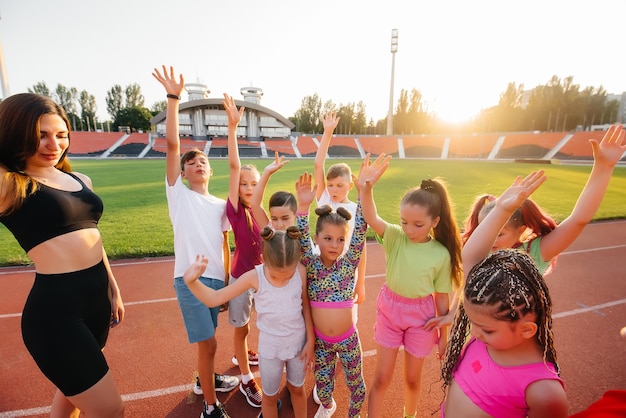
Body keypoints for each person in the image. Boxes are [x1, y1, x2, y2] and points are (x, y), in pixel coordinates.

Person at [426, 124, 626, 332]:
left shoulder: (534, 253)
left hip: (519, 346)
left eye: (499, 233)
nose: (490, 239)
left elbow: (578, 219)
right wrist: (451, 315)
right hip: (479, 341)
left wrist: (603, 168)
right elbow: (468, 284)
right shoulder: (478, 252)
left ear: (520, 229)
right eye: (484, 230)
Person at [0, 93, 125, 417]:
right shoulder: (10, 184)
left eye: (60, 135)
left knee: (69, 397)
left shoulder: (79, 179)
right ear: (16, 133)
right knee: (110, 410)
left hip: (96, 302)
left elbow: (92, 236)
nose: (53, 144)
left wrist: (113, 286)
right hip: (55, 316)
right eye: (40, 134)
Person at [440, 170, 568, 417]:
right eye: (475, 324)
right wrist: (501, 210)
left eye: (485, 329)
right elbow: (470, 258)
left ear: (527, 329)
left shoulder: (544, 393)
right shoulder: (484, 339)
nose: (473, 334)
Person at [152, 65, 239, 418]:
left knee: (210, 342)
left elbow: (224, 244)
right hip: (189, 279)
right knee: (209, 342)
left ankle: (205, 378)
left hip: (216, 280)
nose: (197, 163)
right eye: (191, 162)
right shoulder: (179, 195)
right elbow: (173, 145)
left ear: (209, 170)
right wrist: (173, 99)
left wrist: (228, 280)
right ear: (183, 173)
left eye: (202, 160)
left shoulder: (220, 206)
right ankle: (209, 405)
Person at [358, 153, 463, 418]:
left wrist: (444, 338)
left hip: (422, 318)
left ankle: (410, 415)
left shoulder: (441, 253)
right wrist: (366, 189)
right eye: (405, 222)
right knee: (382, 378)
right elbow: (372, 217)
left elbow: (442, 298)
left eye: (418, 224)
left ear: (434, 222)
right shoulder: (394, 237)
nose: (409, 229)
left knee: (413, 379)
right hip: (391, 312)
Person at [182, 226, 315, 418]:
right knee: (269, 398)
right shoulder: (255, 276)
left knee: (297, 390)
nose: (283, 280)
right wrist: (192, 282)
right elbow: (215, 298)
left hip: (298, 347)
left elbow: (306, 307)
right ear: (264, 258)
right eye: (276, 275)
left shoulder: (300, 271)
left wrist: (310, 340)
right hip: (270, 351)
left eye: (288, 274)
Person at [295, 167, 369, 418]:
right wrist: (303, 208)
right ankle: (328, 407)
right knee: (323, 391)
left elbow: (360, 231)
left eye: (339, 240)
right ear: (317, 238)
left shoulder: (349, 264)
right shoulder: (311, 263)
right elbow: (302, 235)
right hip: (322, 344)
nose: (334, 245)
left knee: (357, 386)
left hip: (348, 340)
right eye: (327, 238)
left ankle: (354, 415)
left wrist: (363, 195)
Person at [222, 93, 263, 408]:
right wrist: (233, 129)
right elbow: (234, 166)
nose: (248, 188)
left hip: (265, 278)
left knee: (270, 323)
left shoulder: (264, 212)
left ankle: (244, 353)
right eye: (244, 183)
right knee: (242, 327)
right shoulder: (236, 210)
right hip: (240, 278)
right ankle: (247, 378)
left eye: (254, 183)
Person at [313, 112, 366, 307]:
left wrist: (360, 283)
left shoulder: (355, 209)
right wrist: (327, 132)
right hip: (321, 268)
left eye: (340, 185)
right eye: (331, 184)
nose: (334, 190)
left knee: (347, 315)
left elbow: (362, 249)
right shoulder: (324, 199)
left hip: (346, 270)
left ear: (350, 186)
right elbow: (318, 165)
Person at [249, 151, 297, 232]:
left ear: (296, 216)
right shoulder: (271, 232)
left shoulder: (301, 237)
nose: (279, 225)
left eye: (285, 218)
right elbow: (255, 204)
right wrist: (267, 172)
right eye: (274, 219)